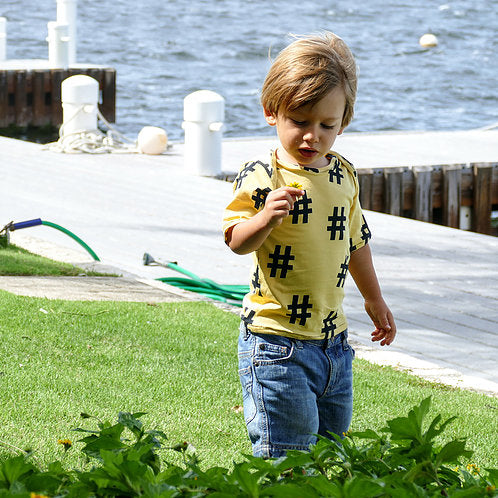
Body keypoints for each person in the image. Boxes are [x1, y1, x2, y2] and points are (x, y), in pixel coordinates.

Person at [222, 31, 396, 459]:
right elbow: (235, 240)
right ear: (271, 112)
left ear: (344, 122)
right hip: (277, 343)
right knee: (286, 456)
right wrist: (265, 217)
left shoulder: (343, 174)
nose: (311, 136)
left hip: (334, 344)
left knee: (329, 452)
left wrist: (374, 300)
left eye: (326, 125)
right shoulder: (265, 174)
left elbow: (356, 242)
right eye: (299, 121)